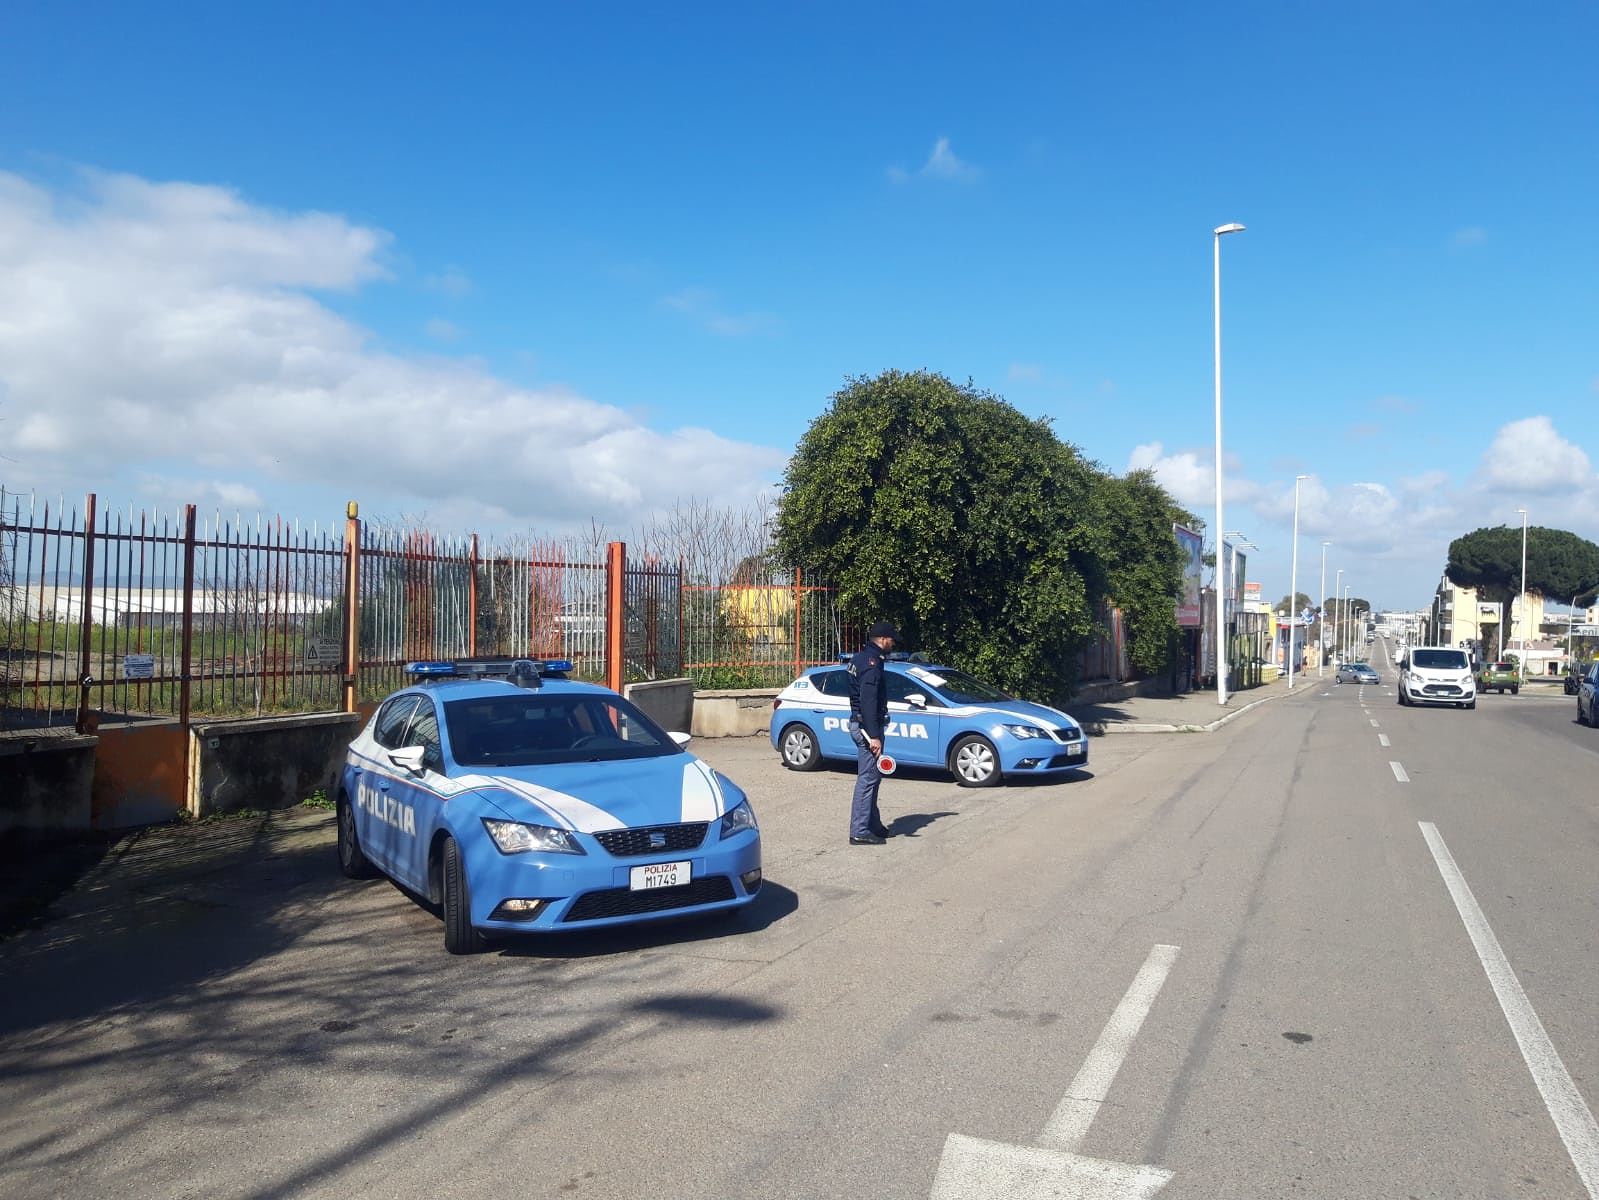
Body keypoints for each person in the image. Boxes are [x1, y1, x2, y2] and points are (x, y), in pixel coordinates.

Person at [846, 620, 901, 845]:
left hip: (863, 725)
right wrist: (875, 735)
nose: (893, 643)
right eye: (892, 639)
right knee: (868, 779)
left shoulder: (861, 658)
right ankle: (859, 830)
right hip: (868, 729)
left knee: (873, 778)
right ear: (883, 639)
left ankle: (872, 824)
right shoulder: (871, 663)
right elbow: (868, 701)